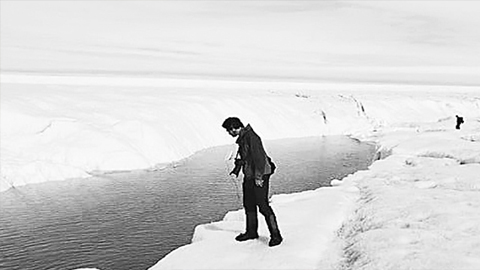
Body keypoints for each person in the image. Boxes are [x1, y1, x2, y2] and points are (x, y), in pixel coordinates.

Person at [222, 117, 283, 247]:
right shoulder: (243, 138)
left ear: (234, 128)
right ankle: (251, 232)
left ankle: (276, 235)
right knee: (249, 203)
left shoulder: (252, 137)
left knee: (263, 205)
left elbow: (259, 159)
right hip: (250, 175)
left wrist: (259, 178)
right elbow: (244, 158)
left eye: (229, 131)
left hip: (259, 176)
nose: (229, 133)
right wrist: (236, 169)